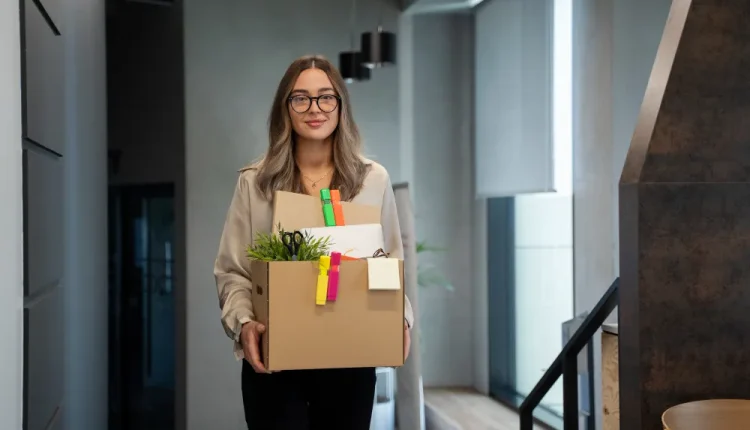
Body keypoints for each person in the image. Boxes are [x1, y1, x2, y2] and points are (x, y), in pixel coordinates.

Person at [213, 55, 415, 429]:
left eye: (326, 97)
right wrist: (244, 323)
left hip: (350, 359)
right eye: (300, 98)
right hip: (276, 360)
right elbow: (232, 272)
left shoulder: (374, 180)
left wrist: (399, 319)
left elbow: (389, 263)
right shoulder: (254, 183)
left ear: (341, 105)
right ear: (285, 108)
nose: (314, 108)